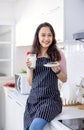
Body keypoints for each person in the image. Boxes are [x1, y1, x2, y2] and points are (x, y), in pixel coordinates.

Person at [24, 22, 67, 130]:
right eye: (43, 35)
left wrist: (57, 71)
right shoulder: (32, 55)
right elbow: (30, 83)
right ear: (37, 37)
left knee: (34, 128)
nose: (46, 38)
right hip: (33, 101)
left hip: (51, 101)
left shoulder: (58, 54)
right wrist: (30, 70)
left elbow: (64, 79)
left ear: (53, 37)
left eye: (49, 35)